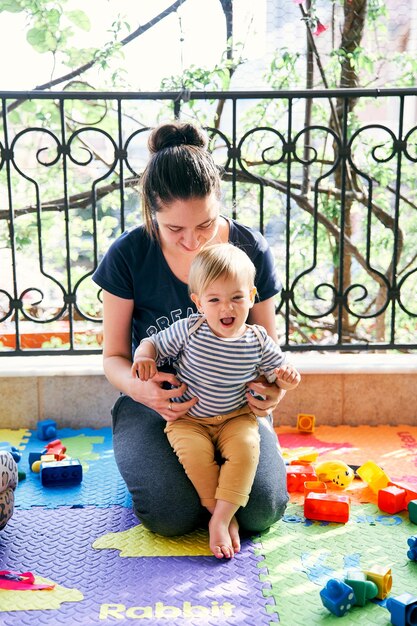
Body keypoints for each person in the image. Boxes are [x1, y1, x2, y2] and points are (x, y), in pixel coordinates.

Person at [92, 119, 291, 548]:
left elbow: (269, 348)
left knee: (262, 511)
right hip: (156, 407)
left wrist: (272, 391)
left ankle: (221, 497)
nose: (191, 243)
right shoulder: (128, 254)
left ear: (219, 201)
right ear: (152, 214)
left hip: (235, 406)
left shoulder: (250, 248)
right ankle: (183, 481)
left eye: (204, 225)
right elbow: (113, 357)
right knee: (170, 515)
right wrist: (142, 392)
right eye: (174, 229)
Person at [132, 243, 300, 558]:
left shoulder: (258, 340)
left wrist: (286, 380)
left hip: (236, 417)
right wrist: (144, 358)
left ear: (251, 296)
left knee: (246, 453)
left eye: (237, 298)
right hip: (189, 419)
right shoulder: (189, 330)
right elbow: (151, 343)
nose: (227, 308)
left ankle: (220, 518)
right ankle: (222, 516)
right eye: (215, 300)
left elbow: (279, 373)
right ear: (198, 302)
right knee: (195, 458)